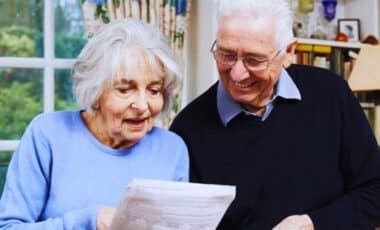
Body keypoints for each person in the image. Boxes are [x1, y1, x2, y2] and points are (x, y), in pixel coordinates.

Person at [170, 0, 380, 229]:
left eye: (254, 59)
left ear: (289, 52)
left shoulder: (332, 94)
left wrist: (313, 224)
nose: (238, 74)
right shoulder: (187, 130)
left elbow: (374, 191)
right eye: (226, 54)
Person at [0, 18, 189, 229]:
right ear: (95, 91)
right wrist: (89, 221)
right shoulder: (47, 135)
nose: (142, 105)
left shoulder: (172, 150)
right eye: (125, 90)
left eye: (154, 90)